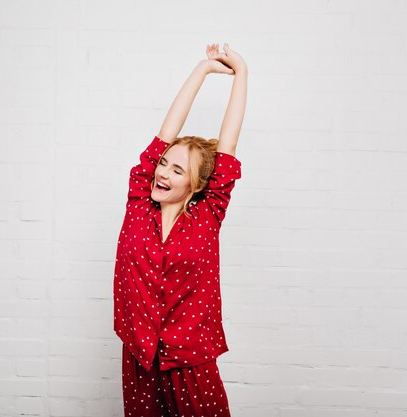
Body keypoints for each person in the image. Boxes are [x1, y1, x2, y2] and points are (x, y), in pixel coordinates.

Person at [113, 43, 248, 417]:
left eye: (177, 170)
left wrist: (241, 73)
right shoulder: (139, 203)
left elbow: (230, 142)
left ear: (196, 184)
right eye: (164, 164)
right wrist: (202, 71)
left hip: (191, 357)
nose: (163, 172)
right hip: (141, 354)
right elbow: (164, 134)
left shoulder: (209, 213)